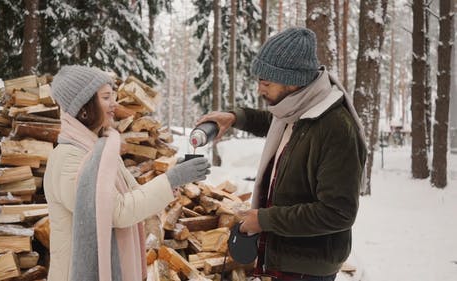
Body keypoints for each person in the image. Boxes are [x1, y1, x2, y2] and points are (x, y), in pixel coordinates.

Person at [197, 27, 367, 281]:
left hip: (306, 269)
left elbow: (338, 213)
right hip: (285, 259)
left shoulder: (335, 129)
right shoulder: (299, 108)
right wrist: (234, 118)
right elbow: (275, 122)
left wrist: (265, 220)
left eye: (266, 83)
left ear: (293, 81)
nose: (259, 90)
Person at [44, 65, 210, 281]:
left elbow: (134, 197)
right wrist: (171, 180)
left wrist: (174, 176)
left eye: (113, 96)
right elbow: (117, 211)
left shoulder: (99, 149)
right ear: (84, 108)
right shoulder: (69, 158)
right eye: (105, 97)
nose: (114, 104)